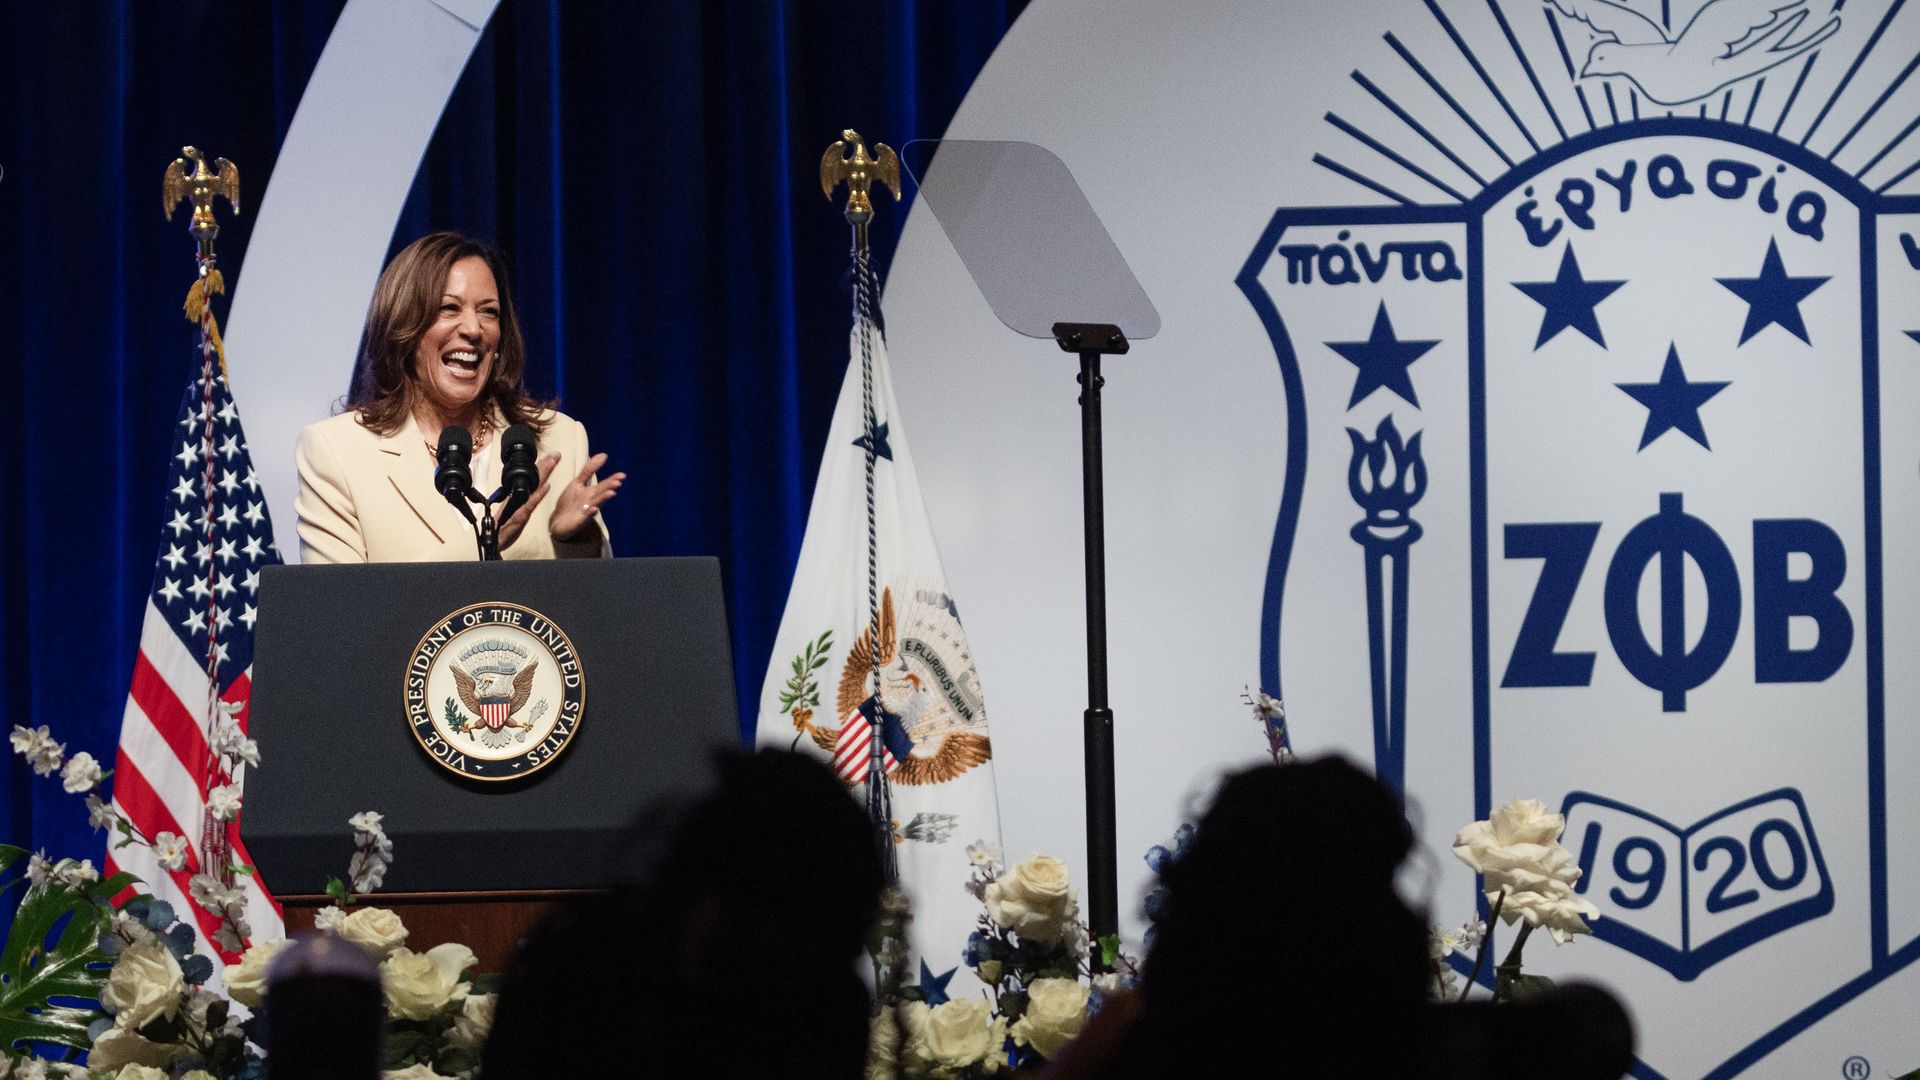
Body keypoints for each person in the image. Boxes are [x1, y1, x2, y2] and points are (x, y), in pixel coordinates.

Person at [295, 232, 625, 563]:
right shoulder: (337, 451)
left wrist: (572, 539)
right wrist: (486, 541)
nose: (473, 329)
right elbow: (341, 609)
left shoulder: (559, 439)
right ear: (403, 327)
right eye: (449, 308)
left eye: (489, 312)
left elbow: (595, 604)